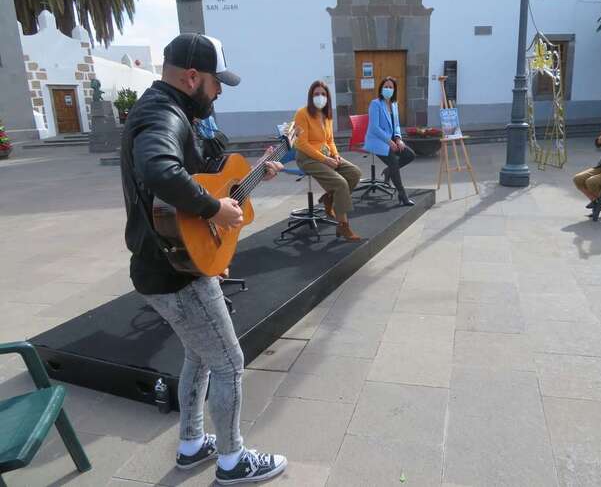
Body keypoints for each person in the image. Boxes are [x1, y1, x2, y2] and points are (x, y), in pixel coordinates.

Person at [120, 33, 287, 485]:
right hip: (175, 273)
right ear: (192, 77)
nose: (219, 93)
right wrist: (213, 210)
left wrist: (251, 179)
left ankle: (192, 443)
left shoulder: (174, 110)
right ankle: (233, 461)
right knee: (229, 362)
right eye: (216, 83)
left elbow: (205, 179)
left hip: (175, 263)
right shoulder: (162, 114)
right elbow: (159, 169)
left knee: (199, 355)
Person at [293, 80, 363, 241]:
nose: (320, 97)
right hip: (307, 158)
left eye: (323, 94)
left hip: (327, 155)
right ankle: (343, 225)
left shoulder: (327, 114)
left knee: (355, 173)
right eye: (316, 94)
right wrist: (325, 159)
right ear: (311, 96)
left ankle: (330, 197)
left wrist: (335, 155)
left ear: (328, 97)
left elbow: (330, 140)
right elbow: (301, 143)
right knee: (340, 184)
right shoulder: (302, 113)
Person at [363, 76, 416, 206]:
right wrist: (389, 142)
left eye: (390, 87)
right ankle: (402, 194)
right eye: (385, 87)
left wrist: (398, 138)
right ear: (381, 89)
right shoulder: (375, 104)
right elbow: (374, 128)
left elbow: (396, 125)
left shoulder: (394, 104)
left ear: (394, 90)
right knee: (393, 162)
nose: (388, 89)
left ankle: (388, 171)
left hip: (391, 140)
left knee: (410, 155)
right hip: (377, 140)